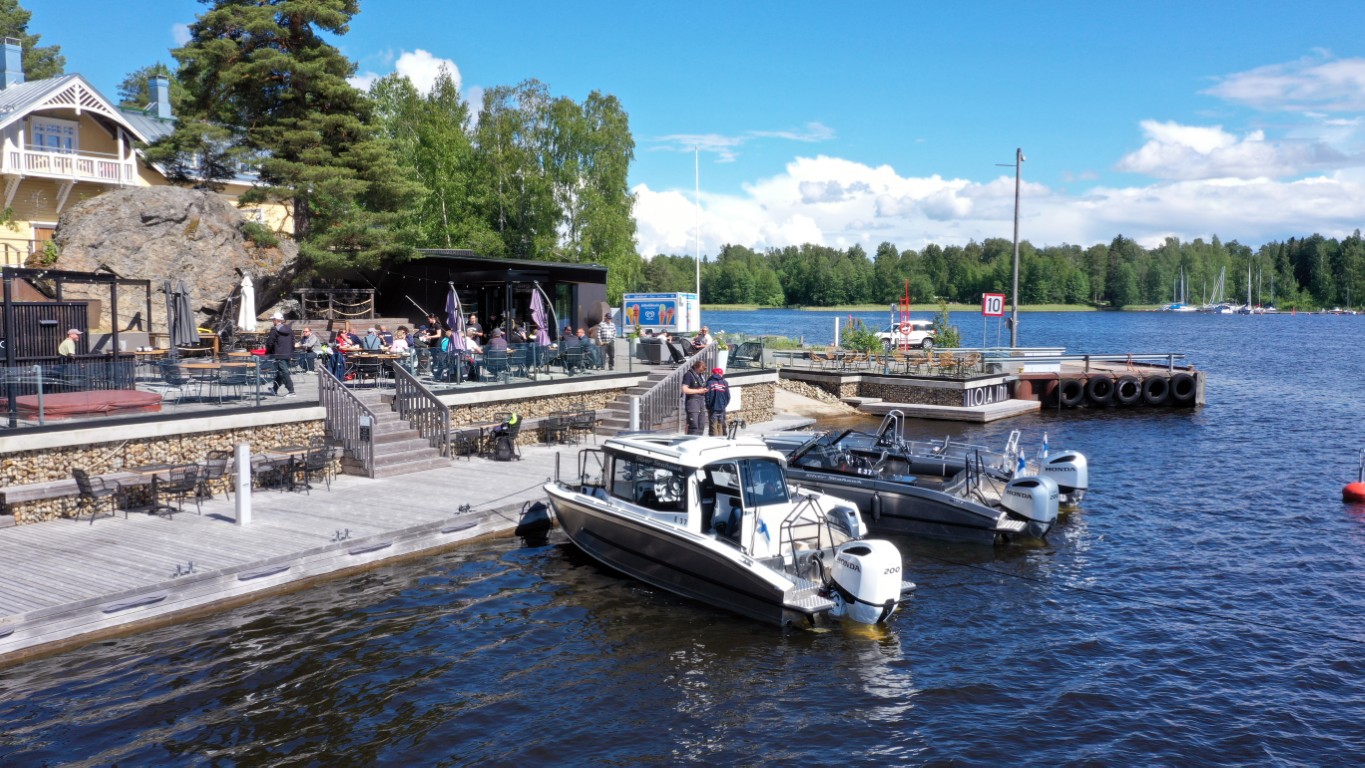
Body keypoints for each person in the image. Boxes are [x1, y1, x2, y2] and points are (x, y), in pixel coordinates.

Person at [265, 312, 296, 397]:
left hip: (279, 354)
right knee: (280, 372)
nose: (272, 321)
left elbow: (270, 342)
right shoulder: (289, 329)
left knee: (284, 372)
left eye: (273, 319)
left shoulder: (274, 329)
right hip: (288, 353)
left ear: (276, 320)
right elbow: (293, 341)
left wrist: (268, 352)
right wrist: (291, 353)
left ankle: (291, 391)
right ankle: (274, 389)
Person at [681, 360, 708, 435]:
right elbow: (684, 389)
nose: (701, 372)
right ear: (696, 367)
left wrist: (704, 390)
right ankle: (690, 441)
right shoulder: (688, 375)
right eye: (700, 370)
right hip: (692, 401)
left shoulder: (700, 375)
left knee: (701, 424)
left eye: (702, 371)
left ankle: (698, 441)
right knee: (694, 425)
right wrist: (698, 391)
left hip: (701, 400)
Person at [705, 367, 731, 436]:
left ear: (713, 373)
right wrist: (724, 405)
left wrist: (708, 406)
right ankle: (721, 441)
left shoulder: (709, 382)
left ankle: (714, 441)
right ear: (721, 374)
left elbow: (707, 396)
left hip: (712, 407)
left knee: (713, 425)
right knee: (720, 424)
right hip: (722, 407)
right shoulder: (725, 382)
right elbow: (728, 396)